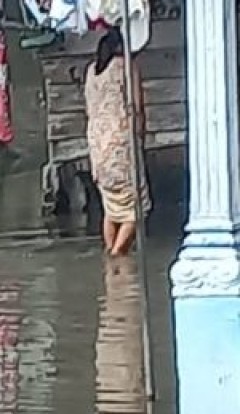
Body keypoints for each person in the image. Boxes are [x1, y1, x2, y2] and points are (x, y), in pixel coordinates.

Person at [85, 28, 149, 255]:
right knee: (136, 208)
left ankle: (110, 256)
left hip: (97, 147)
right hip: (121, 144)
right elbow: (137, 106)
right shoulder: (126, 67)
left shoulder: (91, 71)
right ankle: (116, 255)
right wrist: (141, 135)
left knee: (111, 208)